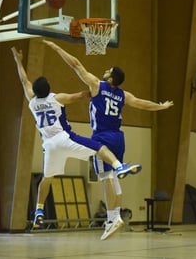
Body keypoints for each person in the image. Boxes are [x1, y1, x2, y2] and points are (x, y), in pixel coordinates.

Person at [43, 40, 174, 240]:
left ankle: (113, 218)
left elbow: (76, 65)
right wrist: (161, 106)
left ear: (111, 78)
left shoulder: (97, 85)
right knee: (113, 178)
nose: (105, 71)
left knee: (106, 179)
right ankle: (114, 215)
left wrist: (57, 48)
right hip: (118, 137)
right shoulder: (123, 94)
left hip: (102, 137)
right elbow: (141, 104)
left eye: (108, 70)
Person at [11, 47, 141, 237]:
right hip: (65, 139)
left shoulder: (31, 100)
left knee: (47, 179)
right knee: (99, 147)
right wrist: (88, 93)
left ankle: (38, 209)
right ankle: (118, 166)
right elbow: (79, 95)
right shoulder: (57, 98)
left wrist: (18, 60)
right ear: (49, 89)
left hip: (49, 146)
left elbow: (24, 80)